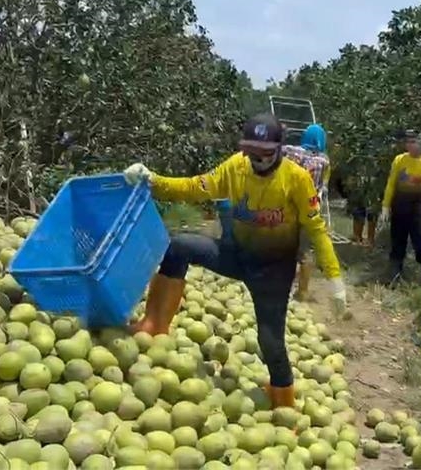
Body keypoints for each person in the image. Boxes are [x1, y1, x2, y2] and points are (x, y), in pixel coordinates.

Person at [123, 113, 348, 408]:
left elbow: (316, 228)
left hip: (273, 273)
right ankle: (153, 325)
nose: (257, 160)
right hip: (236, 256)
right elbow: (195, 187)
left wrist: (334, 278)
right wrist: (153, 181)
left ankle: (283, 401)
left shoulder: (296, 179)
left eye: (264, 153)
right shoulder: (236, 167)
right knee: (179, 246)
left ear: (279, 149)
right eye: (252, 152)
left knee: (270, 343)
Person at [378, 130, 421, 283]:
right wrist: (385, 207)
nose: (409, 145)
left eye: (413, 142)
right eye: (407, 142)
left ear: (420, 143)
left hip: (420, 209)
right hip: (400, 207)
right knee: (398, 243)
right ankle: (393, 277)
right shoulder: (399, 160)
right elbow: (391, 184)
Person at [282, 124, 331, 301]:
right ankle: (302, 291)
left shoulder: (289, 151)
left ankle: (277, 287)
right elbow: (323, 189)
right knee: (304, 252)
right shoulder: (324, 161)